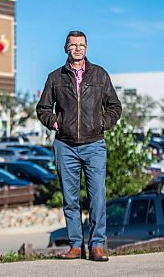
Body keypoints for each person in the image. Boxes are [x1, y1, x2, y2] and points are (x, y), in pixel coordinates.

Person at [36, 30, 122, 261]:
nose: (77, 48)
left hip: (94, 144)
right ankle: (76, 245)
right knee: (70, 199)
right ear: (66, 48)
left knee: (97, 197)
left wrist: (101, 123)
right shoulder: (55, 77)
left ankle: (96, 246)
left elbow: (115, 107)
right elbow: (42, 108)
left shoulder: (100, 75)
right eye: (72, 45)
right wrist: (55, 122)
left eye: (81, 45)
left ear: (86, 48)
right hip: (65, 146)